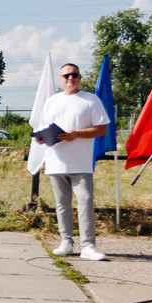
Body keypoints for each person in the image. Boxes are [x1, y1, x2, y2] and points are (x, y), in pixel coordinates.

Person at [43, 63, 109, 261]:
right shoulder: (51, 101)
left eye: (74, 75)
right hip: (56, 161)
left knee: (85, 199)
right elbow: (43, 127)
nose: (70, 78)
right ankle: (66, 242)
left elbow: (102, 129)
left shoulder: (91, 100)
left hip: (80, 162)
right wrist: (42, 137)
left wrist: (76, 134)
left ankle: (88, 246)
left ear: (80, 77)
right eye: (66, 76)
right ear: (60, 79)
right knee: (62, 203)